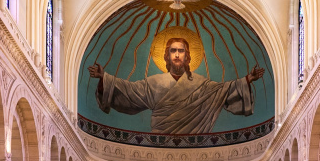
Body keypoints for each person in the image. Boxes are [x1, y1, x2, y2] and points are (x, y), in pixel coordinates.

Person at [88, 36, 265, 134]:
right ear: (166, 55)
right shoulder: (154, 82)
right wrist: (105, 78)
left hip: (197, 146)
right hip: (158, 143)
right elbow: (129, 91)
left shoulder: (201, 83)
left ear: (188, 56)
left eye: (181, 51)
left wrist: (248, 79)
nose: (177, 55)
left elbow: (225, 91)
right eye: (173, 50)